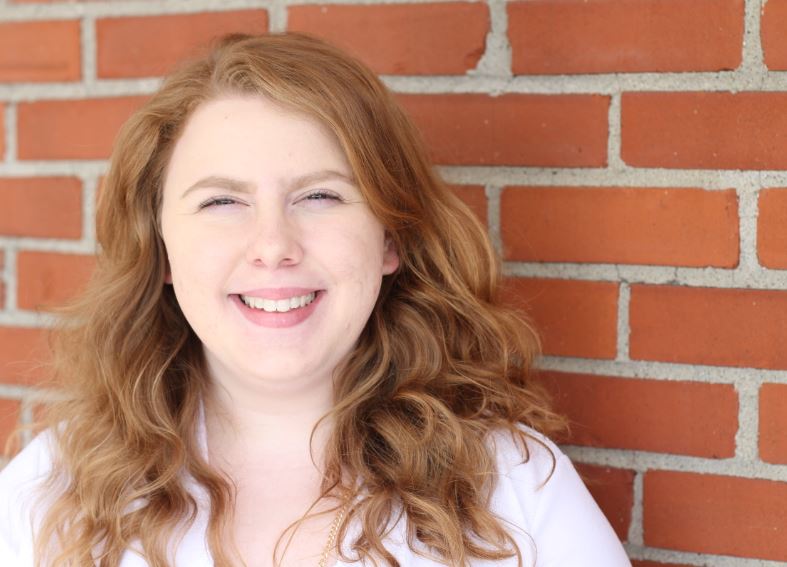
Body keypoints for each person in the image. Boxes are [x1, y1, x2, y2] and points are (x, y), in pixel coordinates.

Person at [0, 33, 631, 567]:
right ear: (161, 250)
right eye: (222, 201)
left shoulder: (511, 482)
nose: (273, 246)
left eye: (320, 196)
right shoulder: (50, 491)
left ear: (391, 239)